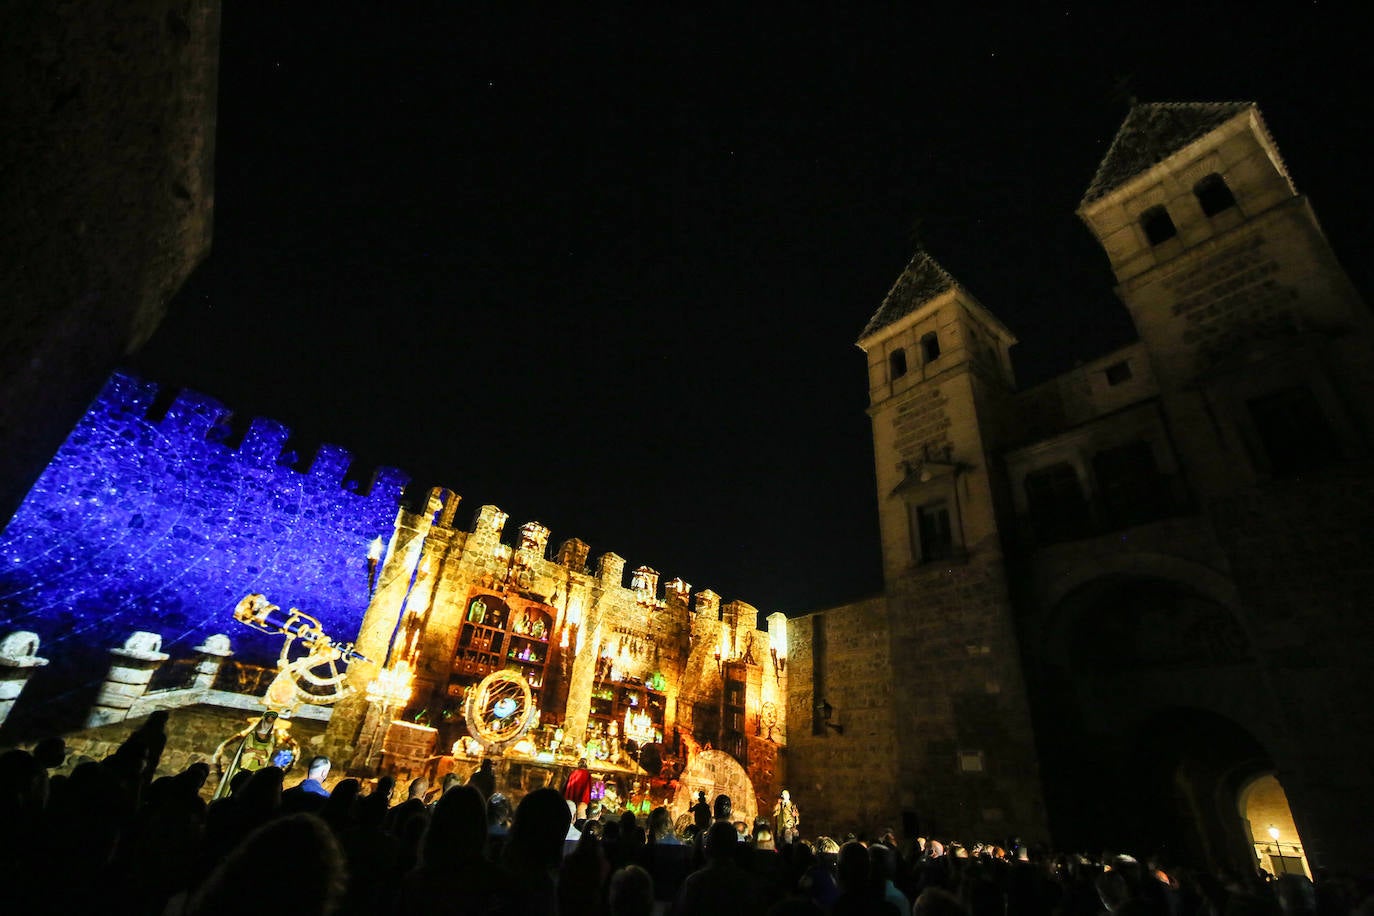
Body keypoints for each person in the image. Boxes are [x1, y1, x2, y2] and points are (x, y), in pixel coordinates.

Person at [212, 712, 281, 800]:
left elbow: (267, 752)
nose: (267, 725)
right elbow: (247, 750)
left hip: (257, 767)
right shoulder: (251, 735)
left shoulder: (271, 738)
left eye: (270, 722)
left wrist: (255, 753)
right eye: (267, 721)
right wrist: (258, 754)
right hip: (244, 766)